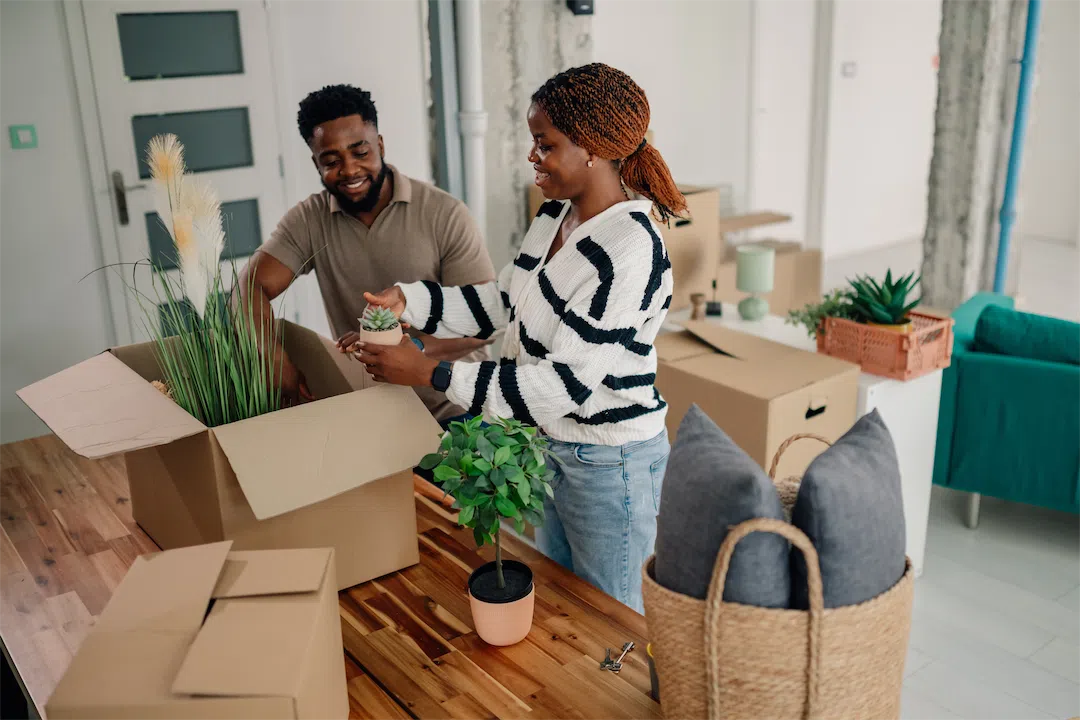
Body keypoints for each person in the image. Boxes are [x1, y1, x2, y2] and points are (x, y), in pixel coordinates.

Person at [357, 63, 687, 612]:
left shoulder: (631, 252)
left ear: (593, 150)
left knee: (616, 615)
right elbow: (505, 302)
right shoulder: (555, 215)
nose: (533, 156)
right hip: (549, 444)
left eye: (545, 144)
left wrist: (434, 374)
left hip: (610, 464)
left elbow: (564, 386)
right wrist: (409, 300)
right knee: (565, 599)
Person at [237, 83, 496, 422]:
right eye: (331, 160)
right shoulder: (310, 219)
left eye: (361, 152)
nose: (349, 170)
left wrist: (407, 349)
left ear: (381, 145)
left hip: (457, 411)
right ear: (316, 163)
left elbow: (483, 323)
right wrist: (272, 358)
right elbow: (250, 286)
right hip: (374, 416)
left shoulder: (444, 214)